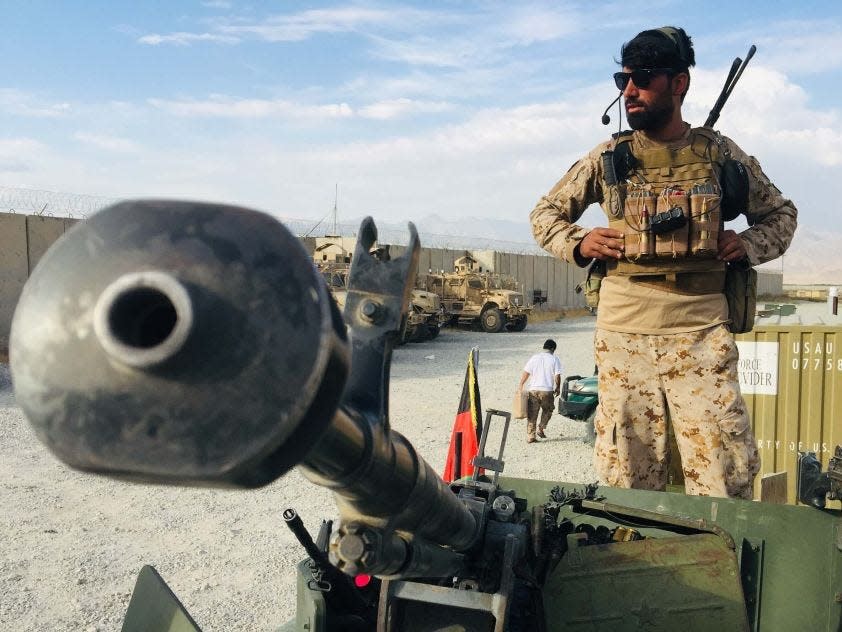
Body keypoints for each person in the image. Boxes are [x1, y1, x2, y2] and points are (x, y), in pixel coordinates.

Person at [529, 27, 797, 499]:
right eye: (623, 80)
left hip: (701, 332)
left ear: (679, 84)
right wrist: (581, 240)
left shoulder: (719, 154)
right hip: (623, 333)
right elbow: (544, 214)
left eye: (643, 79)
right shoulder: (611, 156)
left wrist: (747, 245)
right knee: (627, 474)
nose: (629, 91)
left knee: (722, 470)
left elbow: (781, 214)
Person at [519, 339, 563, 443]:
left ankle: (531, 436)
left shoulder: (534, 358)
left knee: (532, 413)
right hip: (546, 391)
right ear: (552, 349)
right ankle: (541, 428)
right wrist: (557, 387)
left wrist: (521, 384)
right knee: (548, 410)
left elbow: (526, 372)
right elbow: (557, 375)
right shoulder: (554, 359)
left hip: (533, 390)